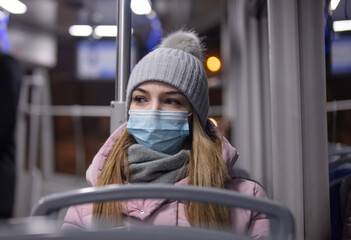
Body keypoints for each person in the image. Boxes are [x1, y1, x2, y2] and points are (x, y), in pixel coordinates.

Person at [62, 30, 269, 238]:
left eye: (171, 101)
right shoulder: (88, 203)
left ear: (193, 115)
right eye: (141, 99)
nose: (153, 110)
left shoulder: (245, 201)